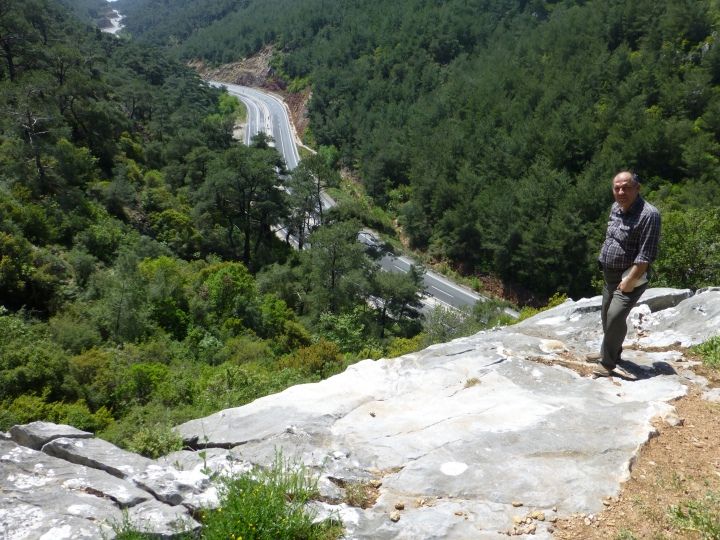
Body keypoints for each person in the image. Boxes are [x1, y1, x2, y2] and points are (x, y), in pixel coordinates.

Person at [593, 171, 661, 378]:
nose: (621, 192)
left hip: (630, 276)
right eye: (617, 188)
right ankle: (613, 352)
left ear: (637, 188)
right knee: (606, 316)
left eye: (626, 187)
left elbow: (646, 253)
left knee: (615, 316)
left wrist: (630, 280)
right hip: (609, 275)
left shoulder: (649, 215)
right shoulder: (616, 208)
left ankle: (607, 364)